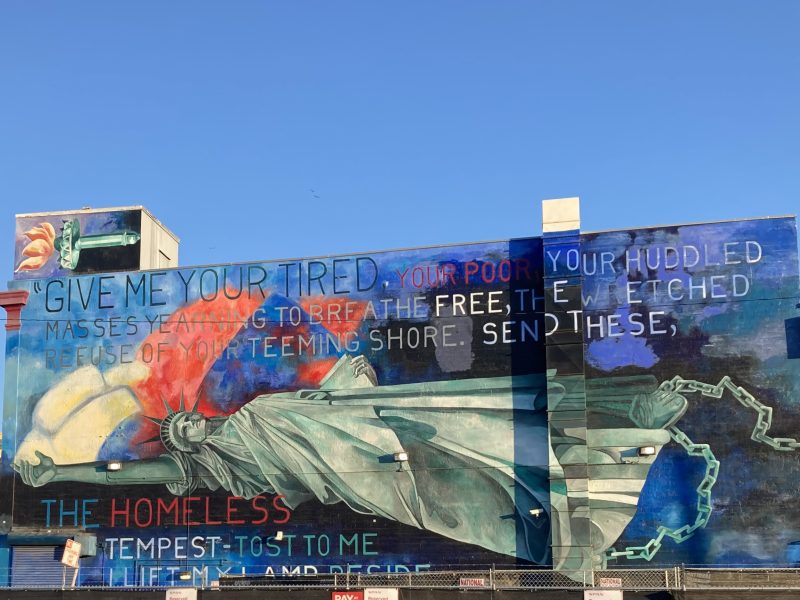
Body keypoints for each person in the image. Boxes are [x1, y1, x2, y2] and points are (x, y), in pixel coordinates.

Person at [14, 355, 682, 570]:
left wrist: (344, 388)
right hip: (367, 473)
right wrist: (58, 475)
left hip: (374, 421)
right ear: (181, 447)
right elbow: (125, 475)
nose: (183, 425)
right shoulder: (218, 469)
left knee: (487, 422)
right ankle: (578, 517)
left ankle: (625, 418)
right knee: (465, 490)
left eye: (183, 418)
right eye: (177, 432)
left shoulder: (251, 413)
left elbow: (335, 385)